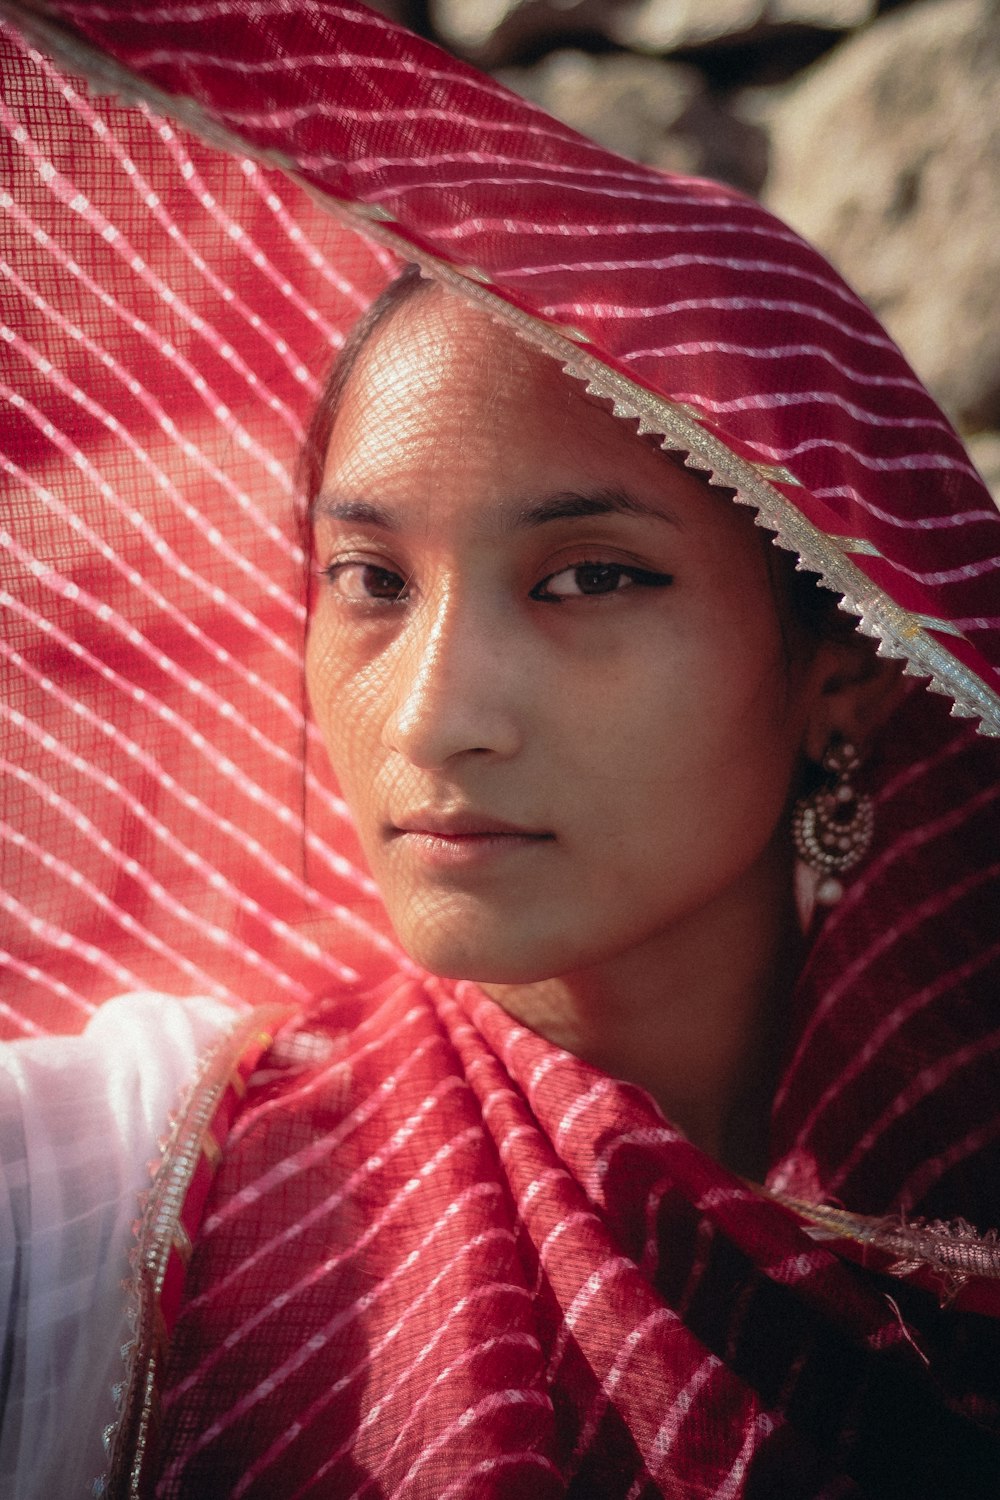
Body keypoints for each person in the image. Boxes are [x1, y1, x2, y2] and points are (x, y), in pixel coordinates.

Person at [1, 2, 999, 1497]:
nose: (430, 717)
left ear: (841, 668)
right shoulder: (89, 1214)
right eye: (372, 583)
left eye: (592, 577)